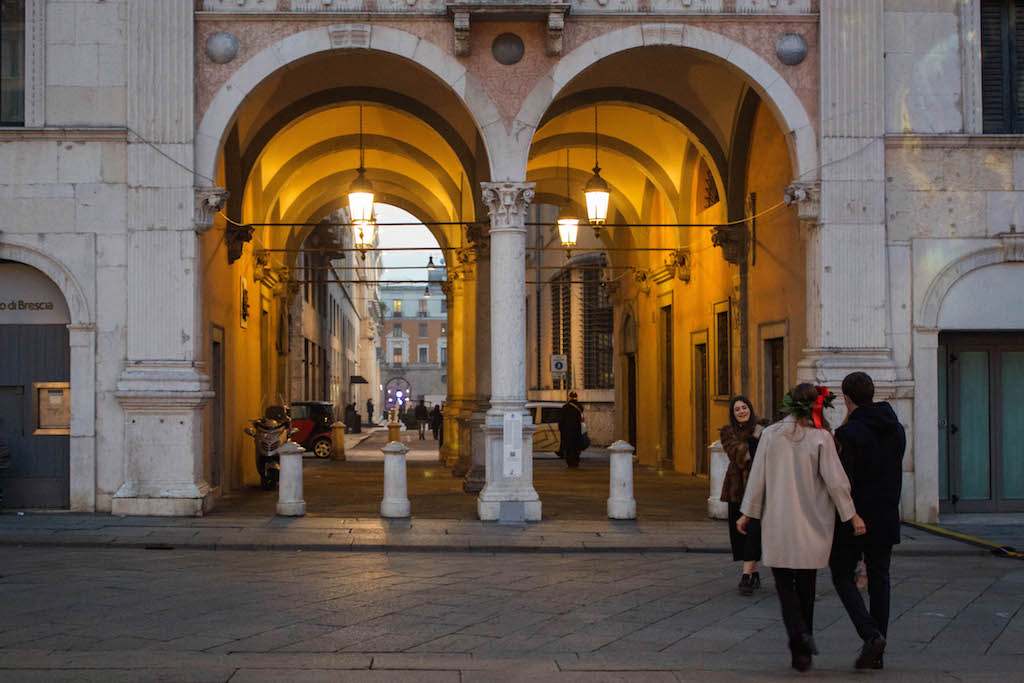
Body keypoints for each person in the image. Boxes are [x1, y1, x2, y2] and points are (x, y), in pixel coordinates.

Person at [738, 383, 866, 672]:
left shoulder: (770, 434)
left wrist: (748, 512)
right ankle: (804, 644)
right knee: (806, 584)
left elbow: (757, 477)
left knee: (784, 585)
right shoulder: (821, 438)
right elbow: (836, 482)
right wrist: (851, 515)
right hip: (812, 521)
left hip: (779, 521)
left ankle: (798, 640)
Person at [829, 372, 906, 670]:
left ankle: (871, 635)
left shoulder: (849, 434)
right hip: (886, 514)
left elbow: (843, 478)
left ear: (847, 399)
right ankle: (878, 651)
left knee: (841, 574)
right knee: (880, 580)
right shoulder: (897, 429)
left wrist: (845, 424)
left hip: (855, 517)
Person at [719, 396, 766, 596]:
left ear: (750, 408)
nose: (741, 411)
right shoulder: (728, 432)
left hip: (759, 488)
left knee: (754, 530)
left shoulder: (764, 426)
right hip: (737, 488)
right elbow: (738, 455)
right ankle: (753, 572)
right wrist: (755, 439)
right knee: (740, 533)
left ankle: (747, 575)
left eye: (744, 407)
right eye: (737, 409)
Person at [558, 391, 585, 468]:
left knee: (568, 448)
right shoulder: (579, 407)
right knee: (576, 447)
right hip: (576, 431)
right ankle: (576, 461)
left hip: (567, 432)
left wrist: (561, 430)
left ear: (569, 397)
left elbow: (561, 421)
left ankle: (570, 462)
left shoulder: (565, 407)